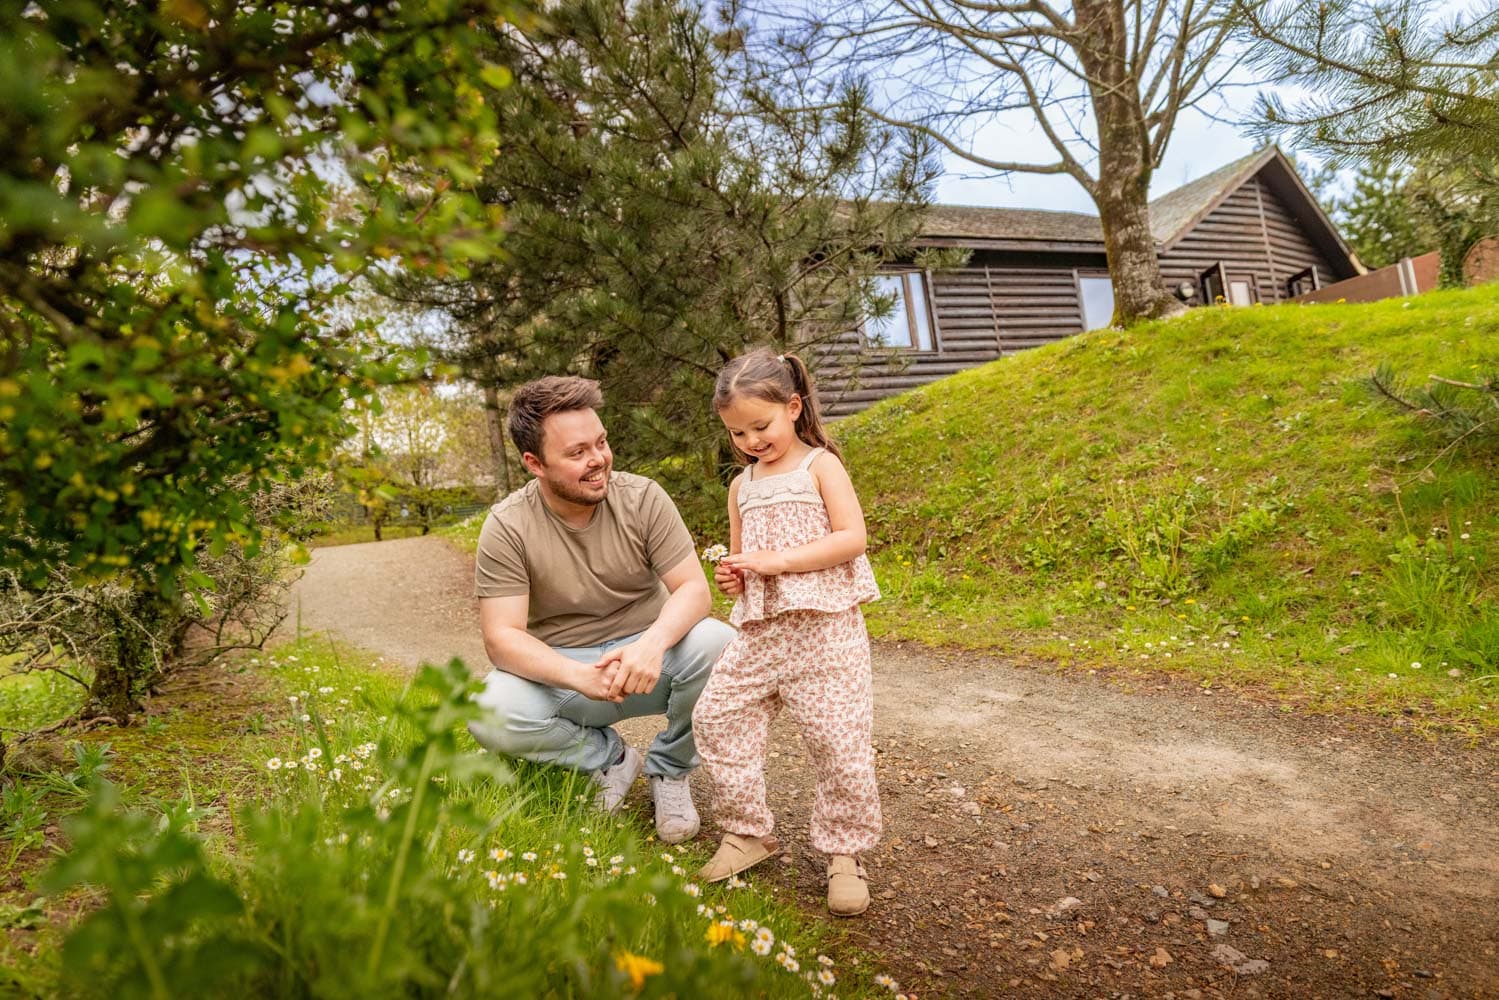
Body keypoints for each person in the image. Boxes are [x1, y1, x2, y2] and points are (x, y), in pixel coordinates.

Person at [468, 375, 733, 844]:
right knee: (487, 709)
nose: (598, 461)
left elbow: (694, 589)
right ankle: (609, 759)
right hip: (570, 673)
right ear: (535, 463)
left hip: (650, 662)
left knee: (722, 644)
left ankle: (670, 771)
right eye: (577, 453)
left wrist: (651, 645)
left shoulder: (643, 497)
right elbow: (502, 638)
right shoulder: (506, 526)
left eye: (602, 442)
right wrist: (578, 676)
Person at [692, 348, 882, 916]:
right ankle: (748, 832)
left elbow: (852, 537)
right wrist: (736, 574)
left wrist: (780, 561)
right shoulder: (741, 486)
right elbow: (748, 558)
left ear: (794, 407)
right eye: (737, 433)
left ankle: (845, 855)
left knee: (838, 744)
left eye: (761, 425)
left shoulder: (819, 465)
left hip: (825, 631)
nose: (751, 440)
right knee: (717, 716)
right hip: (760, 633)